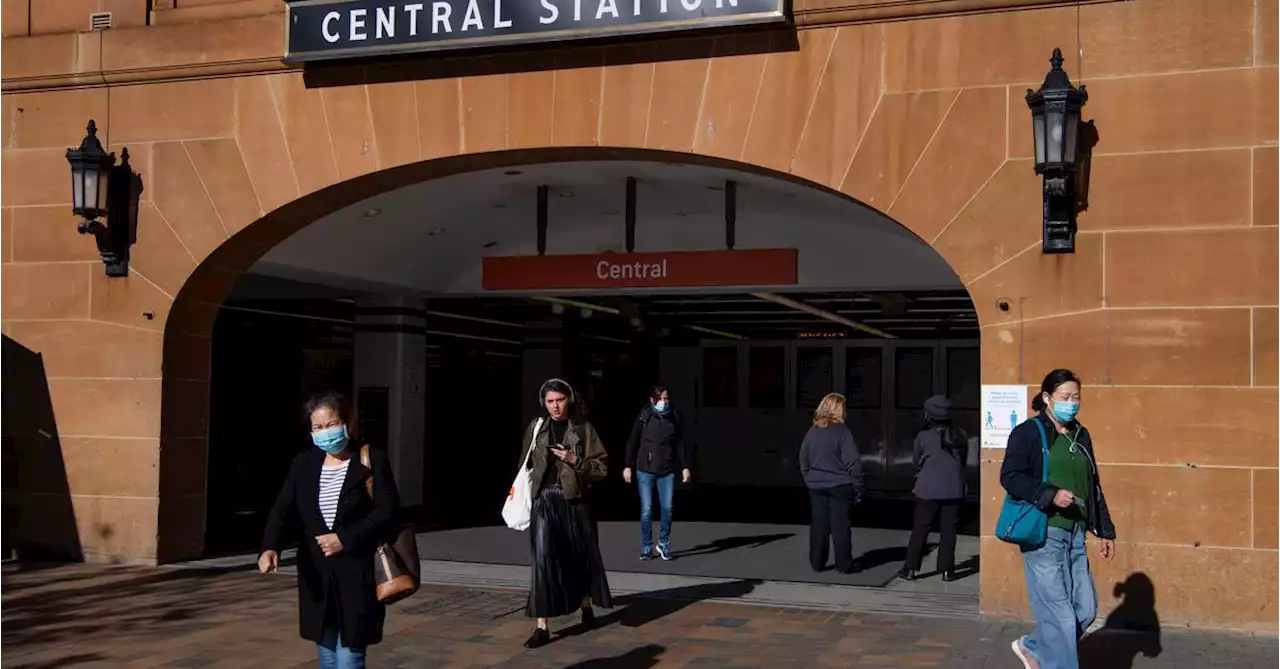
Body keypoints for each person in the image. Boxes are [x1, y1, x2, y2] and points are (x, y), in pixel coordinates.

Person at [259, 390, 400, 669]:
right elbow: (282, 508)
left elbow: (388, 511)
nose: (326, 432)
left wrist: (344, 539)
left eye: (332, 424)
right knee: (326, 650)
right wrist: (270, 546)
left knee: (350, 655)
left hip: (357, 571)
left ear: (347, 422)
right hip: (316, 572)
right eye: (318, 427)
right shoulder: (304, 464)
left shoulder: (370, 459)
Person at [1002, 369, 1116, 669]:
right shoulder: (1028, 432)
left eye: (1076, 397)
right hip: (1044, 531)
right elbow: (1010, 477)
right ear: (1046, 398)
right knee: (1061, 618)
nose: (1071, 403)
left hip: (1076, 533)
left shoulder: (1081, 434)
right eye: (1064, 397)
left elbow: (1093, 484)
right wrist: (1049, 494)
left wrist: (1105, 530)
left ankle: (1034, 646)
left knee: (1086, 609)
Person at [519, 378, 613, 649]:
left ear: (568, 399)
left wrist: (575, 460)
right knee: (542, 561)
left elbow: (601, 468)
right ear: (544, 403)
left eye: (560, 400)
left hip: (575, 501)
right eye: (550, 401)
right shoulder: (536, 428)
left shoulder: (583, 429)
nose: (555, 406)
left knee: (580, 556)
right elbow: (524, 464)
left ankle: (585, 607)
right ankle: (542, 626)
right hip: (545, 501)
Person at [899, 395, 968, 582]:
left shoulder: (923, 436)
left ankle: (910, 569)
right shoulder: (960, 434)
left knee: (921, 529)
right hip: (954, 489)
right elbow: (963, 460)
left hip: (927, 490)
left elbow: (916, 462)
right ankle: (947, 570)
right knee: (949, 531)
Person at [623, 385, 692, 561]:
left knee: (667, 508)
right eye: (661, 399)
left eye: (667, 399)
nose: (664, 402)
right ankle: (647, 546)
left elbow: (680, 443)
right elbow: (632, 441)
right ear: (652, 400)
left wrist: (685, 466)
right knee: (646, 510)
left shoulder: (674, 417)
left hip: (666, 470)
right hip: (645, 470)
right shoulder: (644, 417)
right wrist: (628, 465)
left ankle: (663, 543)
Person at [799, 392, 864, 574]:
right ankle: (844, 565)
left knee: (819, 525)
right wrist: (858, 487)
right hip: (840, 485)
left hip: (817, 486)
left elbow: (803, 459)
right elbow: (853, 463)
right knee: (840, 527)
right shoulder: (842, 432)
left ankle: (817, 563)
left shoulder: (812, 431)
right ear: (838, 410)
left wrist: (810, 479)